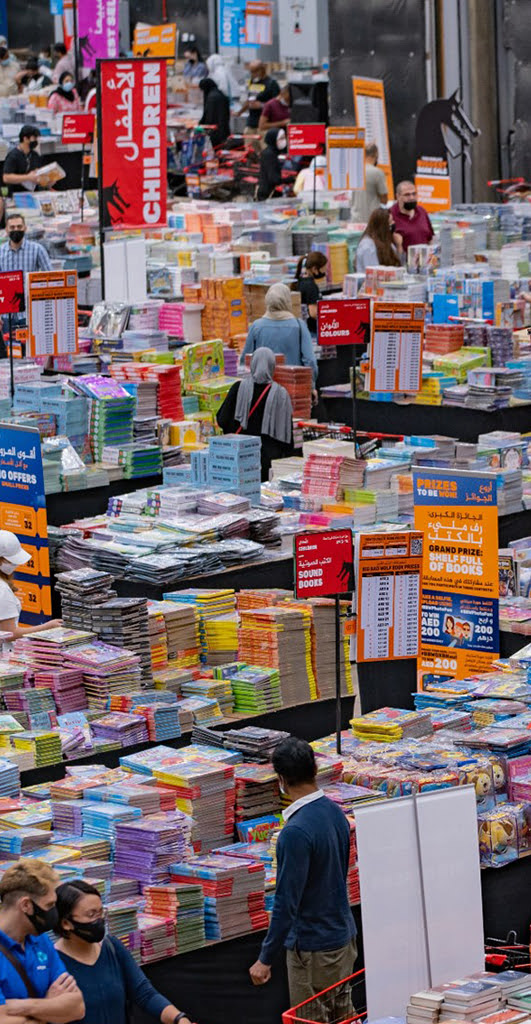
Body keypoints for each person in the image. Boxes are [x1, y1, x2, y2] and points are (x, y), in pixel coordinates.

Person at [249, 738, 357, 1017]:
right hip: (342, 938)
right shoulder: (335, 812)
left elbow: (286, 902)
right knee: (343, 1015)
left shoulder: (295, 833)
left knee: (311, 1019)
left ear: (281, 780)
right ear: (315, 769)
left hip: (313, 949)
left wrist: (265, 958)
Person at [54, 880, 193, 1024]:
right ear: (65, 923)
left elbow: (144, 993)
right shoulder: (53, 963)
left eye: (101, 912)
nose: (99, 920)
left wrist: (178, 1018)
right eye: (91, 915)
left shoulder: (112, 947)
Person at [0, 858, 85, 1023]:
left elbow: (77, 1007)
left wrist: (22, 1007)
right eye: (49, 905)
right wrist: (49, 1006)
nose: (54, 913)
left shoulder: (40, 940)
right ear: (26, 905)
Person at [217, 348, 294, 479]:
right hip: (267, 463)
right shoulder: (281, 394)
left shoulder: (238, 388)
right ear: (272, 366)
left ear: (253, 364)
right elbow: (287, 436)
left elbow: (222, 420)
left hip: (239, 457)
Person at [240, 283, 317, 397]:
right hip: (293, 391)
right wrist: (311, 387)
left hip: (264, 392)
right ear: (287, 301)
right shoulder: (299, 326)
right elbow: (310, 361)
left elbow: (245, 362)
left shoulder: (256, 327)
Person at [0, 532, 61, 637]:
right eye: (9, 561)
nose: (15, 565)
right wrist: (47, 627)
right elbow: (9, 634)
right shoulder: (2, 590)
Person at [390, 180, 434, 253]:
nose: (411, 198)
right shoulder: (390, 215)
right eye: (407, 195)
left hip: (425, 258)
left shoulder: (422, 211)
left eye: (414, 194)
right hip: (402, 259)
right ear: (398, 196)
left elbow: (430, 239)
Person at [355, 207, 402, 273]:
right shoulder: (368, 247)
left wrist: (399, 245)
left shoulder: (387, 243)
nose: (393, 223)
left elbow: (399, 267)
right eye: (390, 222)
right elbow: (373, 274)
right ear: (383, 227)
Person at [238, 61, 279, 134]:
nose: (252, 74)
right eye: (251, 72)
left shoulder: (271, 83)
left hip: (265, 124)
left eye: (254, 71)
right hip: (251, 122)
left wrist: (262, 105)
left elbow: (277, 105)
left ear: (262, 70)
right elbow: (248, 100)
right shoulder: (252, 82)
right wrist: (239, 112)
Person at [351, 143, 388, 222]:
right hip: (371, 219)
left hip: (355, 219)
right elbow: (384, 198)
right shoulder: (377, 172)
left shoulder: (354, 171)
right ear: (376, 154)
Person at [295, 251, 328, 335]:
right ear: (314, 269)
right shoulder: (311, 286)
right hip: (311, 330)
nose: (325, 273)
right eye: (323, 269)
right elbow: (313, 313)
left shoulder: (301, 280)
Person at [3, 127, 43, 196]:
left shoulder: (35, 155)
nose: (36, 141)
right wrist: (28, 177)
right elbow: (6, 178)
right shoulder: (13, 156)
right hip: (17, 194)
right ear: (25, 139)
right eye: (34, 138)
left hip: (34, 193)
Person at [198, 77, 230, 148]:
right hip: (223, 129)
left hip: (215, 131)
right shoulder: (220, 94)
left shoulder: (211, 98)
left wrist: (203, 125)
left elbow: (210, 115)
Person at [257, 127, 285, 201]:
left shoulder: (271, 152)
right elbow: (274, 179)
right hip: (267, 194)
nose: (284, 141)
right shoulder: (270, 154)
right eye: (281, 138)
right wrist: (291, 179)